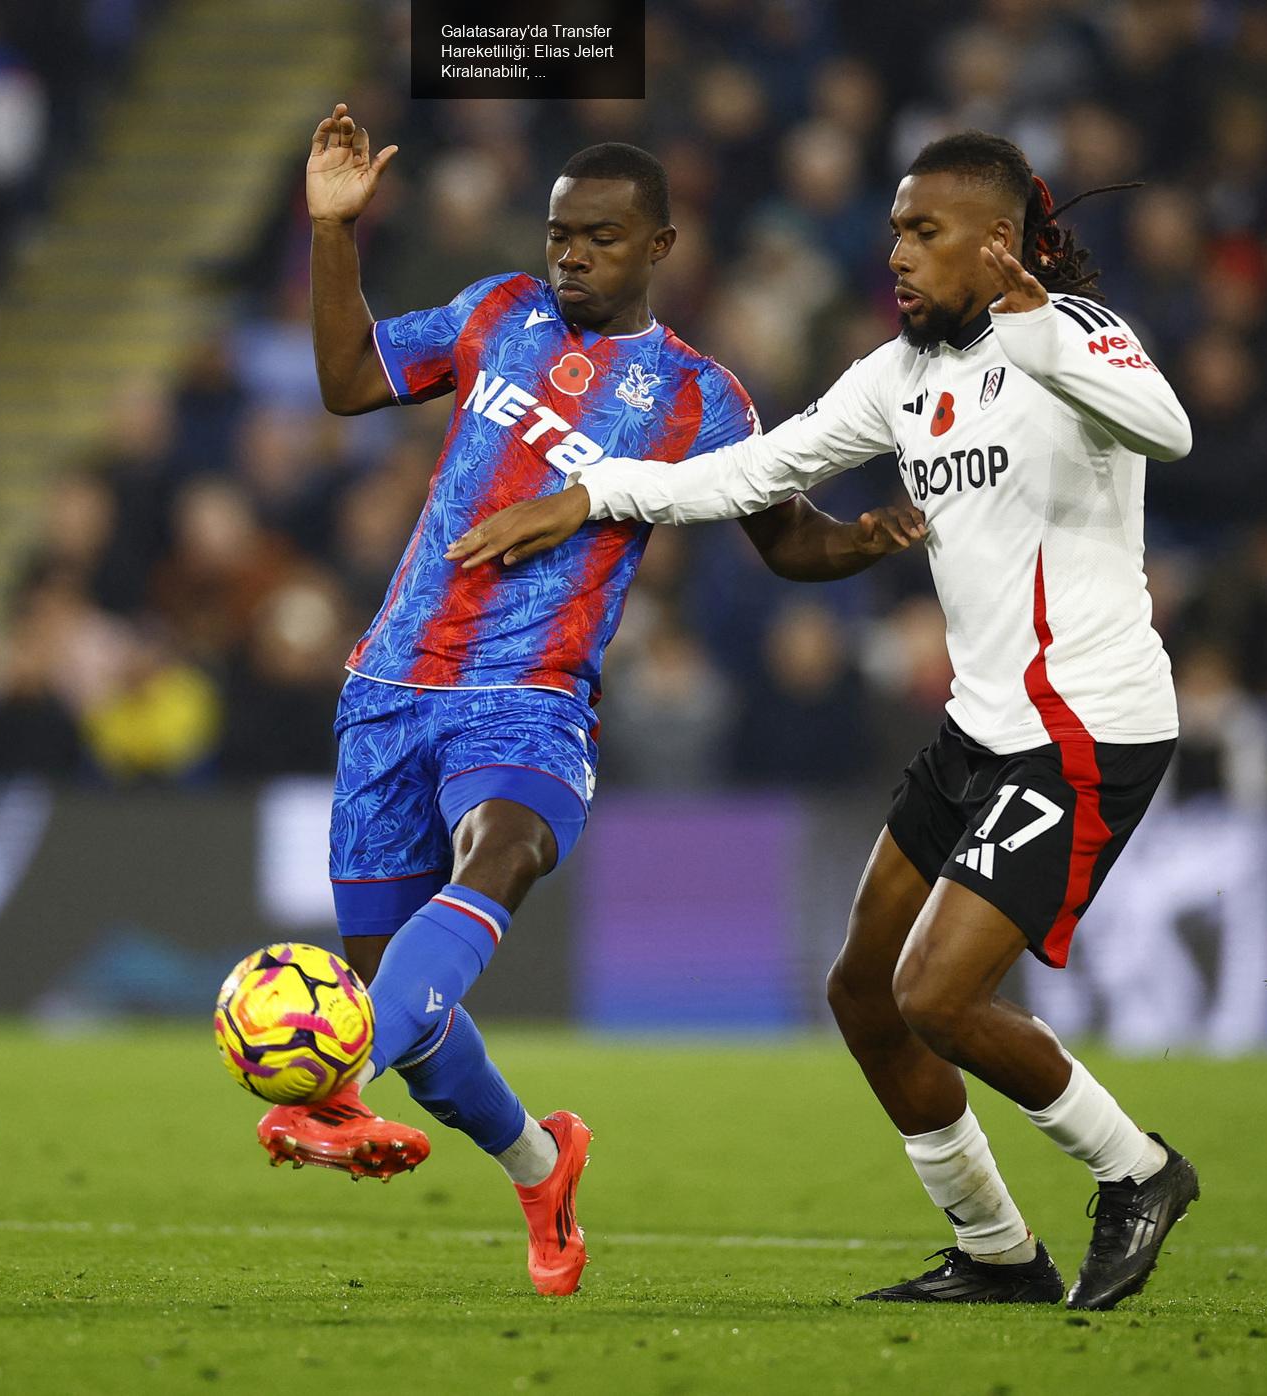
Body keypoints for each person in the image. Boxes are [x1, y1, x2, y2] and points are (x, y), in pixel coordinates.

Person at [449, 131, 1200, 1312]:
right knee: (862, 989)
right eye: (894, 228)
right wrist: (595, 491)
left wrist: (1038, 318)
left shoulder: (1075, 332)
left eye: (922, 232)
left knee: (937, 997)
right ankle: (997, 1251)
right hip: (979, 728)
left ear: (996, 243)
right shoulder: (897, 376)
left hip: (1084, 727)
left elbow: (1169, 428)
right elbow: (753, 472)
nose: (893, 252)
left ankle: (1138, 1169)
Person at [271, 105, 925, 1297]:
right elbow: (348, 376)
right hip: (386, 689)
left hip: (528, 696)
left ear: (661, 246)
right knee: (404, 1017)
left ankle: (331, 1082)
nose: (570, 254)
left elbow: (784, 543)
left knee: (499, 853)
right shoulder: (492, 313)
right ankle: (539, 1161)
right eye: (561, 233)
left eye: (600, 238)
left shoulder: (702, 400)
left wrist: (868, 541)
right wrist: (332, 234)